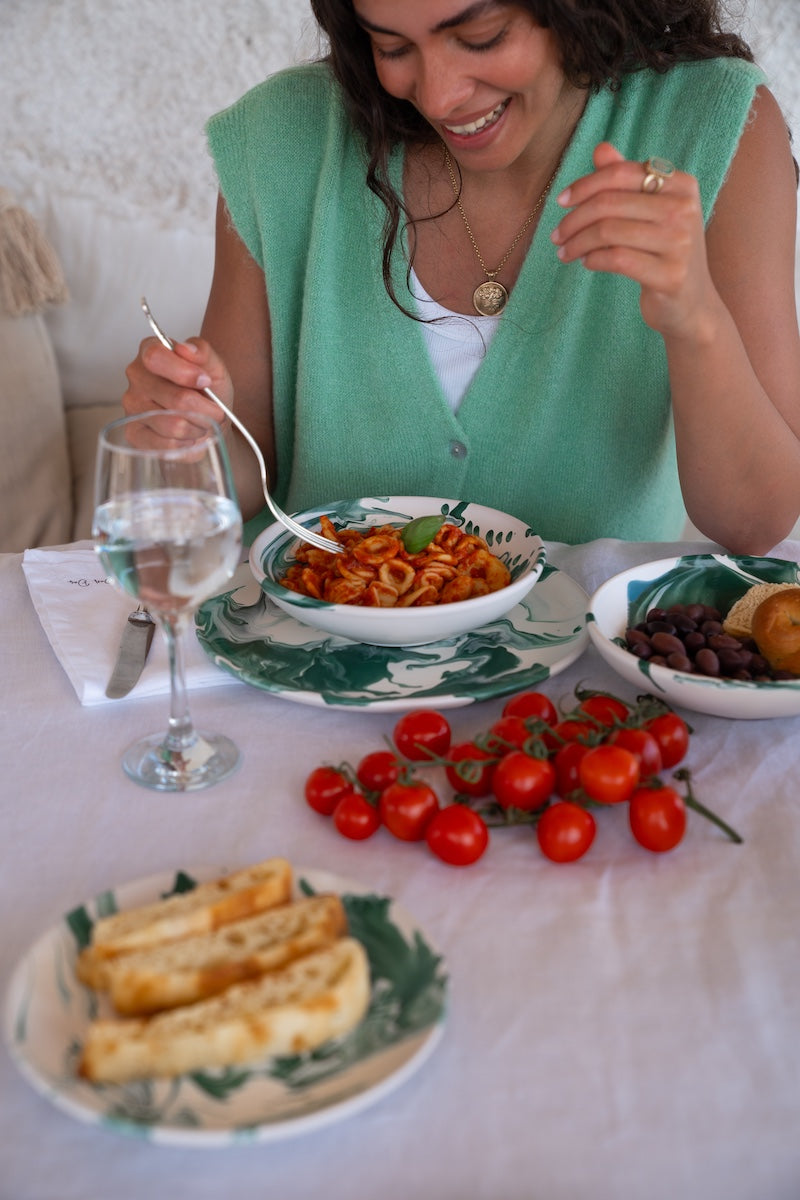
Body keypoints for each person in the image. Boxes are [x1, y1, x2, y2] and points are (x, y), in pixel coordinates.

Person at [123, 0, 800, 553]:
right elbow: (244, 475)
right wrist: (188, 436)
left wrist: (696, 319)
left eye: (480, 36)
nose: (441, 94)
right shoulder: (281, 138)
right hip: (316, 664)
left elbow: (754, 523)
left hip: (583, 696)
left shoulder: (716, 125)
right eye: (392, 47)